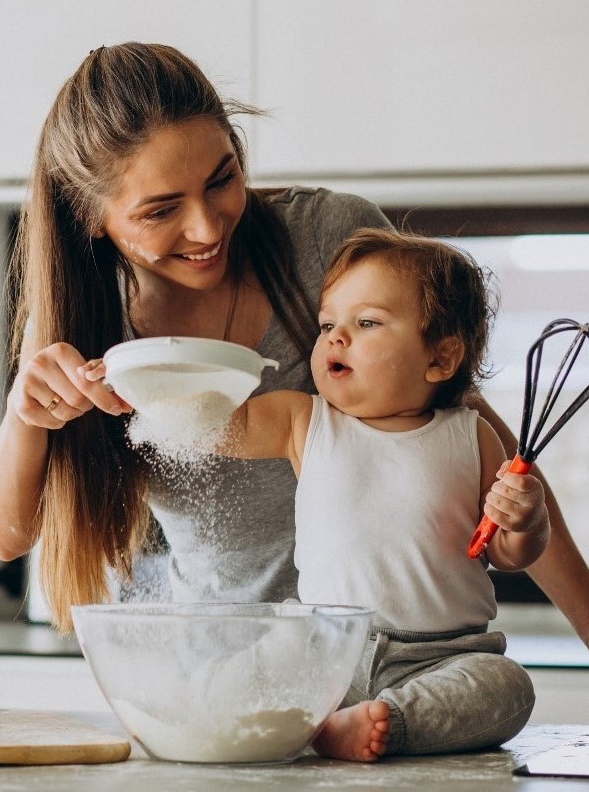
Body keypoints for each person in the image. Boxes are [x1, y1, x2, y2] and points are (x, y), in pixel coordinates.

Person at [0, 44, 587, 648]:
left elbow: (484, 446)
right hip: (227, 662)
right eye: (162, 210)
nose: (207, 228)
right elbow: (8, 534)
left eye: (222, 179)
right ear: (90, 217)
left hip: (385, 658)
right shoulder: (82, 325)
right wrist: (26, 415)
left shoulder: (327, 239)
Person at [136, 226, 543, 761]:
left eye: (366, 322)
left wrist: (524, 522)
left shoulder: (472, 436)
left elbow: (506, 554)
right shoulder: (303, 421)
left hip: (442, 656)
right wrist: (142, 392)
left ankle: (374, 723)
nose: (335, 337)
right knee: (224, 675)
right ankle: (294, 717)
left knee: (507, 686)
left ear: (440, 359)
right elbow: (215, 423)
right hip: (323, 648)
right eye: (329, 323)